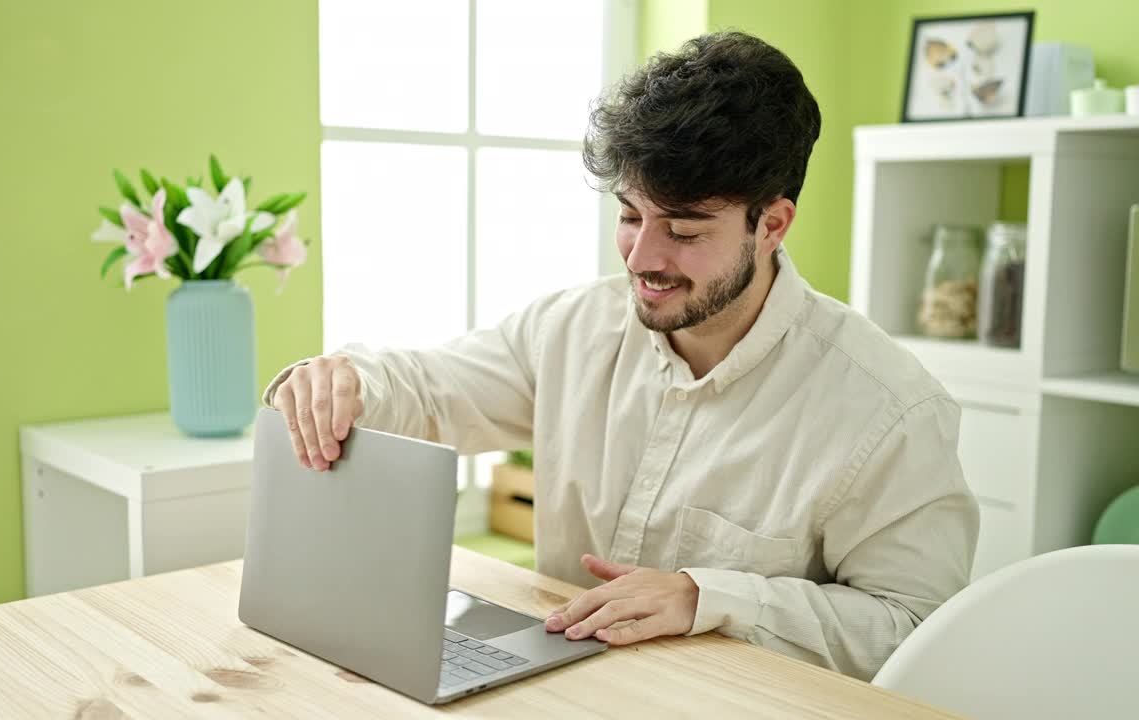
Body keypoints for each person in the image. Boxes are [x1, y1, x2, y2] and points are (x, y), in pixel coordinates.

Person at [264, 31, 979, 681]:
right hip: (561, 689)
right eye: (631, 216)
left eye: (684, 230)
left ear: (774, 224)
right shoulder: (573, 328)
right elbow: (429, 388)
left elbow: (912, 630)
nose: (644, 257)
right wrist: (349, 381)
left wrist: (709, 597)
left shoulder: (888, 409)